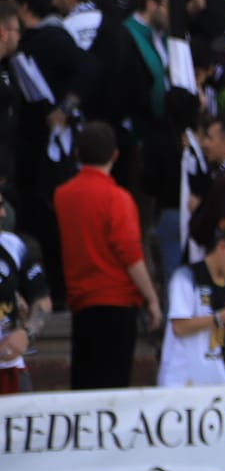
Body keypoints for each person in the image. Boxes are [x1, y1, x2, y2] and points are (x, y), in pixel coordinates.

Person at [53, 121, 163, 389]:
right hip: (117, 303)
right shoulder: (118, 198)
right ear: (115, 155)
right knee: (113, 387)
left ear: (77, 153)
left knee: (85, 386)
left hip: (82, 301)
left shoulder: (62, 195)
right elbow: (130, 255)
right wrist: (152, 298)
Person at [157, 220, 225, 387]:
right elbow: (179, 327)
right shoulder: (186, 277)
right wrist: (222, 317)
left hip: (216, 378)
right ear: (222, 246)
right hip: (180, 378)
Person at [0, 195, 52, 395]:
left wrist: (26, 332)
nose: (3, 214)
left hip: (10, 368)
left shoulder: (12, 245)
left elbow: (41, 298)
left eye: (3, 205)